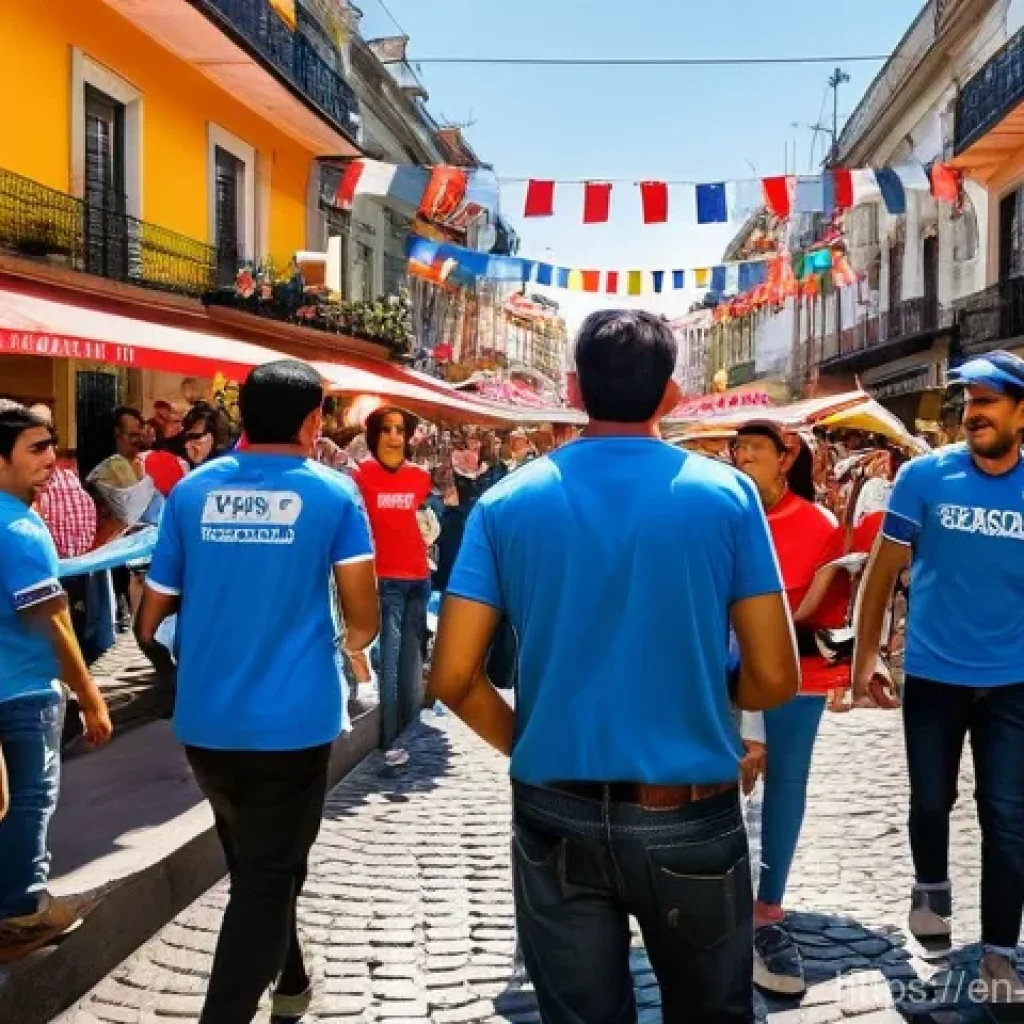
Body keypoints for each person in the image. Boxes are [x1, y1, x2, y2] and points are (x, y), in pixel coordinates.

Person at [428, 310, 799, 1023]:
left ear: (574, 386)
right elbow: (775, 676)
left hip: (554, 803)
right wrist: (716, 702)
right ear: (672, 395)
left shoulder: (507, 501)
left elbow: (451, 677)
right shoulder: (726, 496)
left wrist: (528, 742)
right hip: (690, 805)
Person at [134, 360, 379, 1023]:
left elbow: (148, 619)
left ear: (241, 414)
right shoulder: (334, 494)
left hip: (207, 722)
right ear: (312, 419)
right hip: (294, 721)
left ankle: (293, 978)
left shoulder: (191, 492)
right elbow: (364, 618)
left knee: (257, 863)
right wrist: (347, 648)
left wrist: (176, 666)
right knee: (268, 874)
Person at [853, 351, 1024, 1003]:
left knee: (1008, 816)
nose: (973, 412)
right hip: (933, 674)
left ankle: (1001, 955)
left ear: (1021, 412)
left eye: (989, 400)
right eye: (969, 400)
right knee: (932, 800)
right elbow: (881, 573)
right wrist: (865, 656)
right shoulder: (923, 478)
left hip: (1014, 682)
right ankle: (931, 886)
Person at [730, 421, 851, 996]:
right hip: (722, 673)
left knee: (786, 783)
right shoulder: (722, 512)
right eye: (739, 448)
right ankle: (715, 888)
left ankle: (768, 903)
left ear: (787, 458)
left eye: (757, 448)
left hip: (796, 677)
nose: (744, 455)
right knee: (717, 776)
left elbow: (832, 611)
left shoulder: (818, 524)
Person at [0, 401, 112, 963]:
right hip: (21, 690)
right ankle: (22, 913)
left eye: (52, 445)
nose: (53, 458)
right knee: (31, 800)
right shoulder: (19, 527)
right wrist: (90, 696)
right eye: (37, 449)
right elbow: (51, 618)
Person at [350, 406, 432, 769]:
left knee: (411, 661)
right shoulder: (360, 477)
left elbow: (429, 520)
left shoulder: (420, 477)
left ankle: (409, 730)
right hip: (384, 581)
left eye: (401, 430)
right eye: (387, 430)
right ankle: (389, 741)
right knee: (391, 661)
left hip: (419, 578)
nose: (395, 437)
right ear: (374, 435)